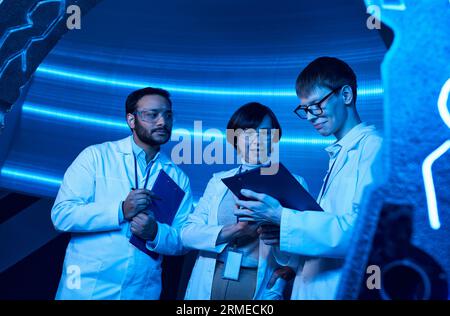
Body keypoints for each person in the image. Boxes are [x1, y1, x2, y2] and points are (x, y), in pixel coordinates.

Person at [234, 57, 383, 299]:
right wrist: (281, 232)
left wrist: (281, 215)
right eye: (305, 109)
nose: (311, 116)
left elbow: (363, 233)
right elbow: (323, 232)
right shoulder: (340, 153)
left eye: (317, 104)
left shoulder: (375, 149)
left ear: (345, 95)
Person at [51, 87, 193, 299]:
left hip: (140, 290)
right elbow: (62, 216)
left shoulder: (178, 178)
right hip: (87, 286)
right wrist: (120, 210)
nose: (162, 122)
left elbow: (182, 240)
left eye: (168, 115)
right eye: (152, 115)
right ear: (131, 120)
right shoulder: (96, 157)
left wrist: (155, 233)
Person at [181, 102, 307, 300]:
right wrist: (237, 230)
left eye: (265, 132)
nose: (257, 140)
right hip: (212, 276)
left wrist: (289, 269)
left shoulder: (293, 183)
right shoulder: (218, 182)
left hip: (258, 282)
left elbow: (306, 236)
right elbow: (187, 234)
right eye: (248, 133)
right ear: (234, 138)